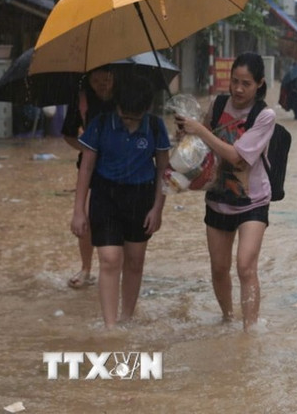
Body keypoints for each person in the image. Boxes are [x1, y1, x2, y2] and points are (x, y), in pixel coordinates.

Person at [173, 52, 275, 331]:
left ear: (259, 84)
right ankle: (228, 320)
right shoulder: (218, 105)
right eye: (234, 82)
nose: (239, 89)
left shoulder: (265, 116)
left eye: (246, 84)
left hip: (253, 200)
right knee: (219, 268)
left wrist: (201, 131)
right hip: (219, 198)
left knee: (245, 266)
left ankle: (249, 330)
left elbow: (237, 157)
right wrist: (185, 134)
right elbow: (201, 148)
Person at [70, 74, 170, 329]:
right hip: (105, 196)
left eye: (135, 117)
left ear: (147, 108)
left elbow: (164, 172)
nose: (129, 122)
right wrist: (79, 211)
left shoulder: (156, 127)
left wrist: (158, 208)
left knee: (135, 261)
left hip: (141, 198)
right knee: (110, 258)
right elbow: (86, 169)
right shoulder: (101, 124)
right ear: (117, 106)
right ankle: (111, 326)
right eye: (125, 116)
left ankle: (127, 316)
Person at [62, 65, 116, 289]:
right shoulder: (82, 100)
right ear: (89, 80)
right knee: (84, 216)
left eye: (106, 79)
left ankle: (114, 267)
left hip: (120, 165)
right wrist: (87, 149)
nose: (101, 84)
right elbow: (68, 134)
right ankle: (86, 268)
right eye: (96, 81)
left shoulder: (126, 96)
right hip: (90, 167)